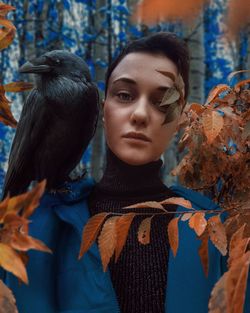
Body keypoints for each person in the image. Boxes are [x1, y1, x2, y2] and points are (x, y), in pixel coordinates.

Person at [3, 32, 249, 313]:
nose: (140, 114)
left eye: (161, 101)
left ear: (180, 118)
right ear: (103, 108)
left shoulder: (220, 230)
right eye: (124, 95)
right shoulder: (40, 224)